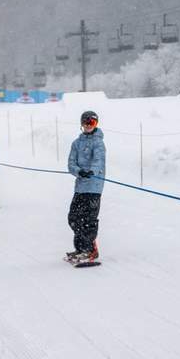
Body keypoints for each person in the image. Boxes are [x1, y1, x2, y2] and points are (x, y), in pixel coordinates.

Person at [65, 110, 106, 263]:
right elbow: (71, 163)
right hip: (80, 186)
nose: (88, 126)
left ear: (96, 124)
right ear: (81, 124)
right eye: (86, 122)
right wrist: (78, 171)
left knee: (89, 219)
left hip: (94, 187)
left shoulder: (98, 143)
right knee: (74, 218)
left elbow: (98, 161)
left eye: (92, 123)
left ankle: (90, 250)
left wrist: (91, 171)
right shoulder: (76, 143)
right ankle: (80, 248)